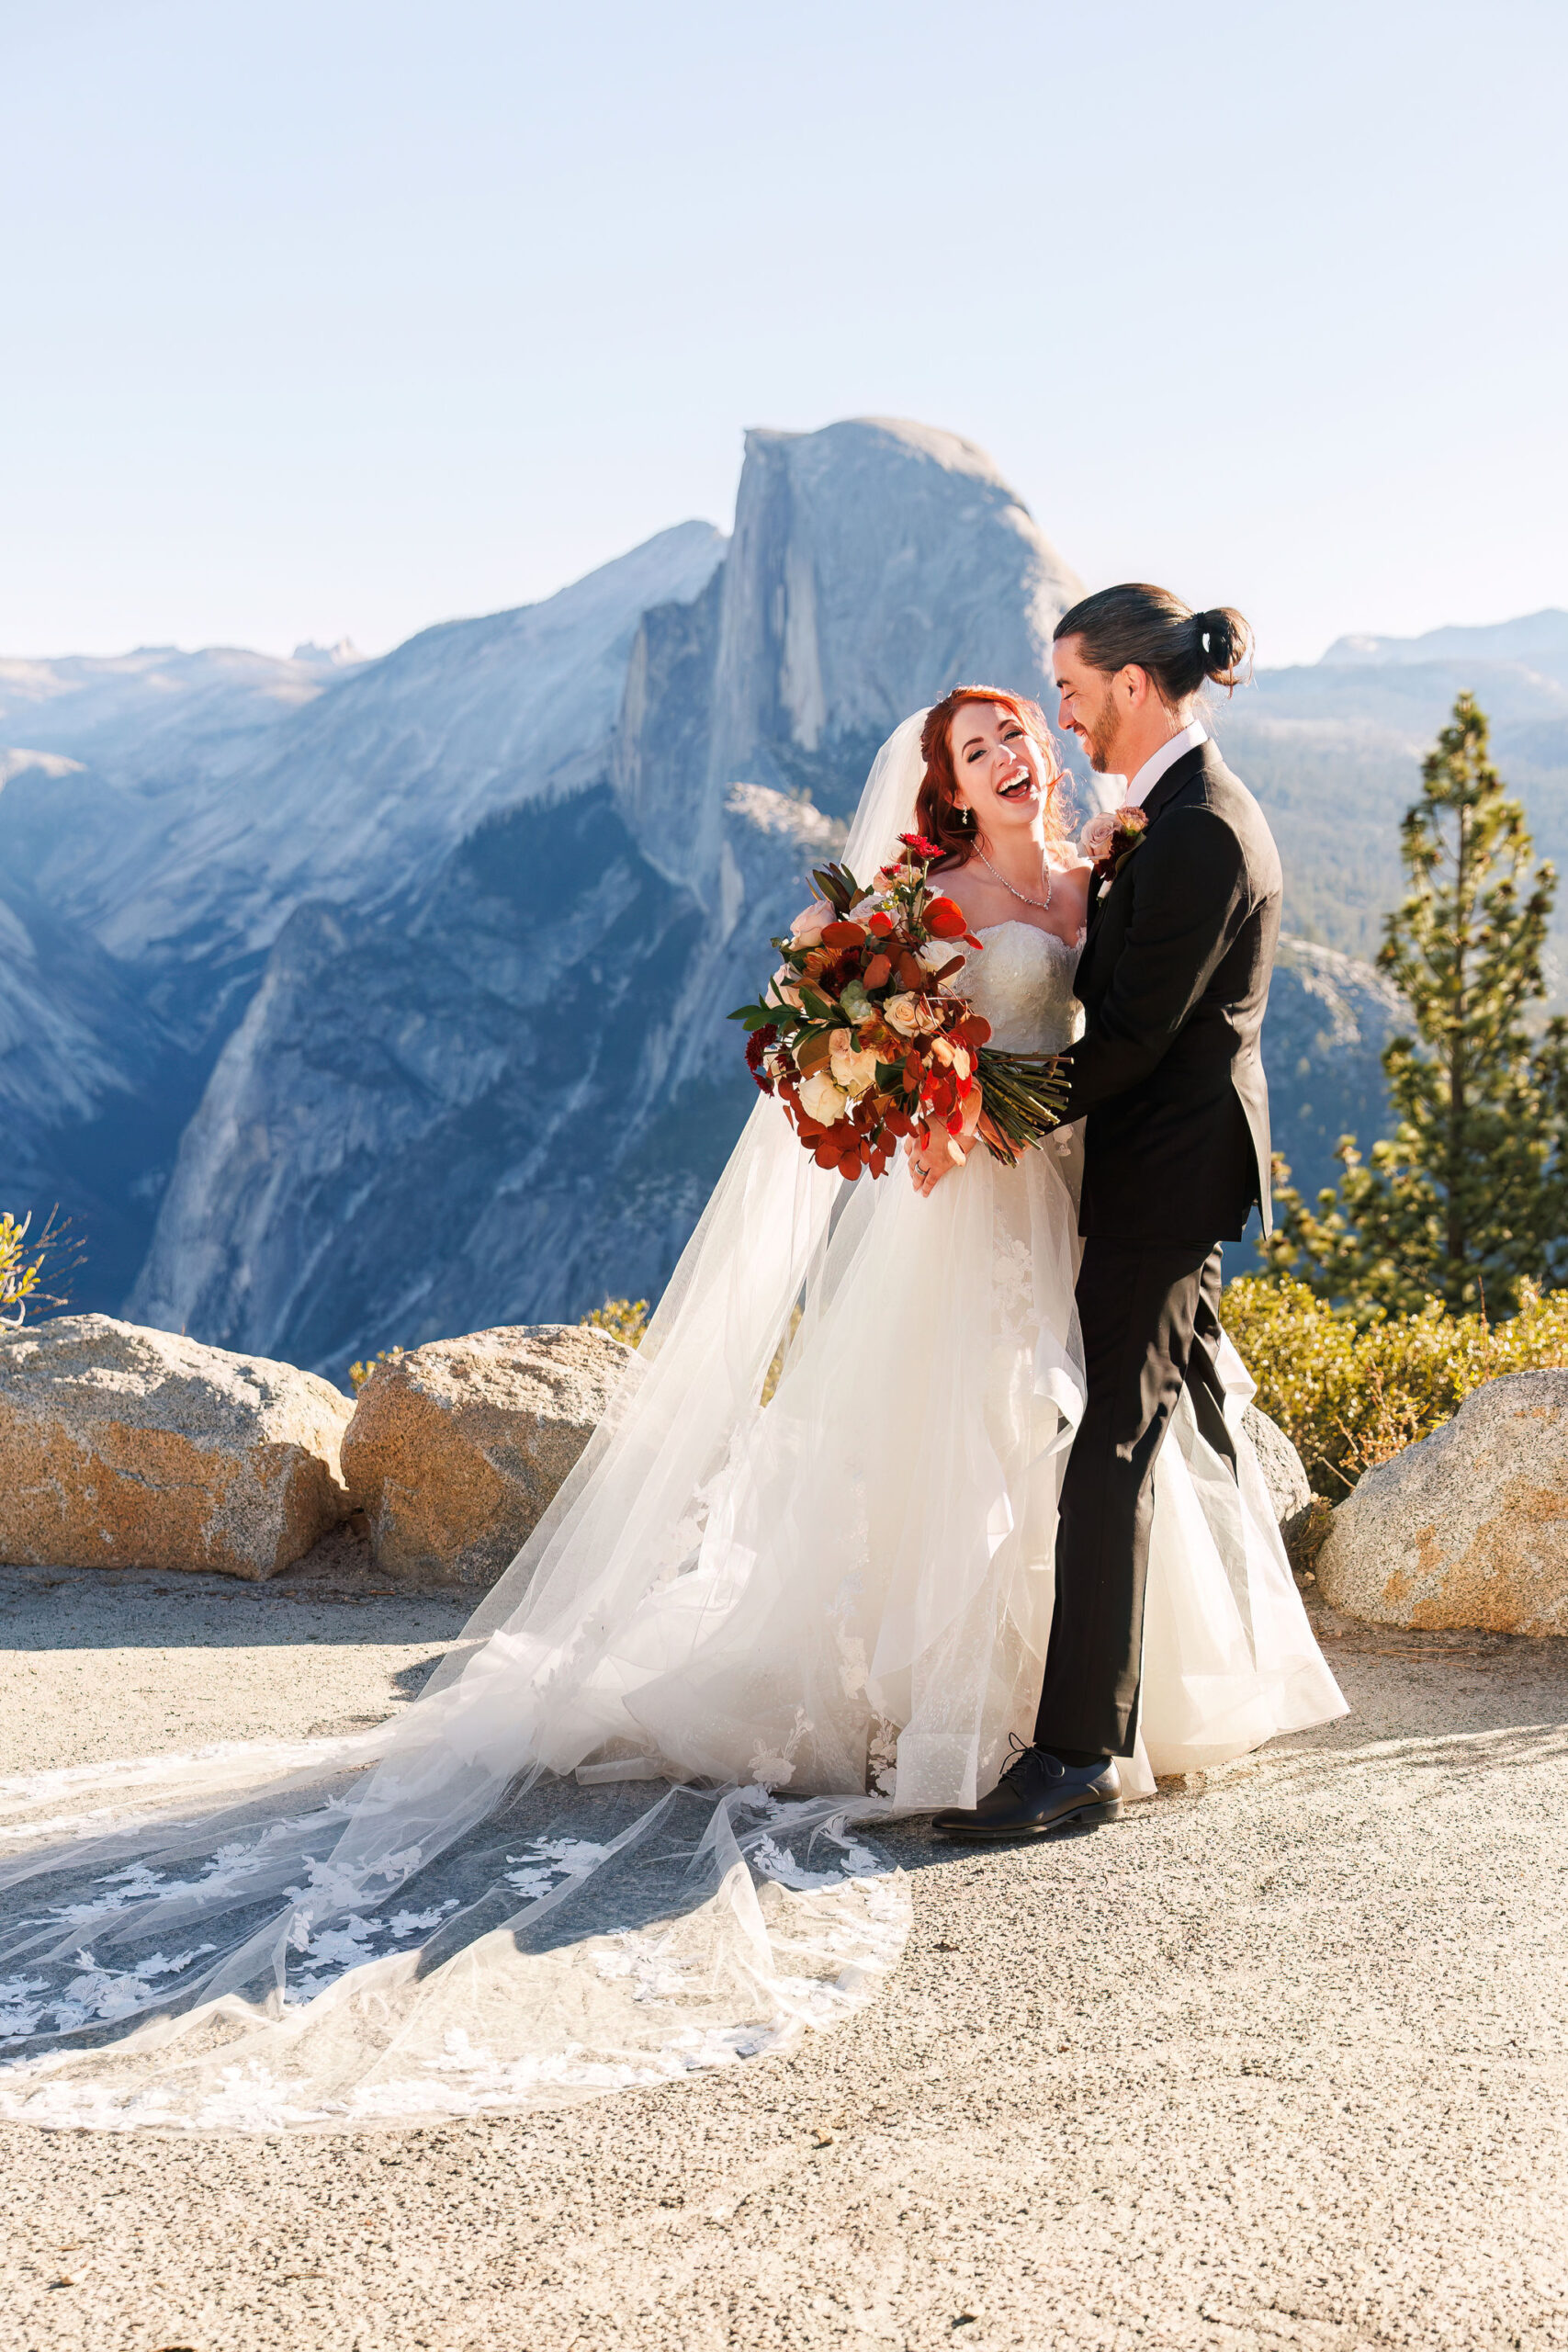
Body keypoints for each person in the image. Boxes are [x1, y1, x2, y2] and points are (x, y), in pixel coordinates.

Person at [0, 669, 1344, 2132]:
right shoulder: (925, 895)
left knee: (1080, 1439)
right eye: (980, 745)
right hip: (967, 1214)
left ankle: (1072, 1692)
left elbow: (1139, 1024)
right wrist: (909, 1097)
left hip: (1087, 1197)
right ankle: (948, 1694)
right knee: (971, 1435)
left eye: (1023, 727)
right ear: (945, 785)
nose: (1015, 749)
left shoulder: (1105, 874)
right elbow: (875, 1047)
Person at [931, 586, 1303, 1840]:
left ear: (1132, 688)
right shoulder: (1166, 820)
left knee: (1110, 1443)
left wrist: (990, 1110)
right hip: (1141, 1158)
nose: (1063, 716)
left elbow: (1138, 1037)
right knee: (1170, 1416)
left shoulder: (1201, 832)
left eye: (1074, 690)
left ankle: (1076, 1750)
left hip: (1160, 1167)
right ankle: (1202, 1674)